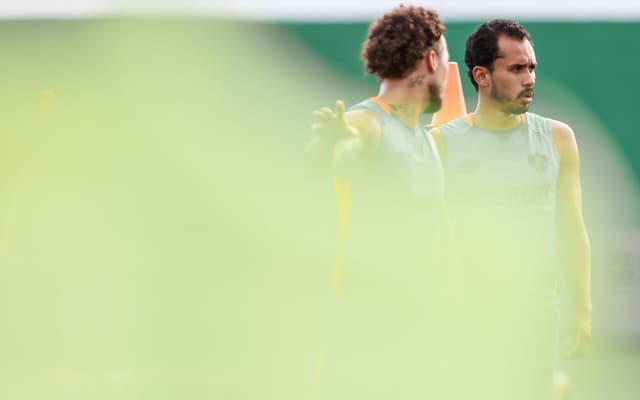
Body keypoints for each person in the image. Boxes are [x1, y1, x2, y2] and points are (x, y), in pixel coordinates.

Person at [432, 19, 592, 399]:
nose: (529, 78)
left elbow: (572, 229)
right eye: (517, 69)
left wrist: (582, 308)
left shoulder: (558, 138)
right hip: (467, 315)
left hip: (538, 313)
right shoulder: (439, 145)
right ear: (482, 76)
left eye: (532, 67)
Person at [304, 5, 455, 399]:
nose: (448, 72)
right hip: (365, 339)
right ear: (430, 59)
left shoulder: (425, 139)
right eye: (447, 60)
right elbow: (339, 150)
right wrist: (331, 144)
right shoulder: (367, 122)